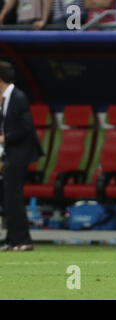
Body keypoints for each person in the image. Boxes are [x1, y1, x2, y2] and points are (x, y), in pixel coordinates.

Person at [0, 61, 44, 252]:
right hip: (8, 153)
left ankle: (24, 240)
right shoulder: (4, 98)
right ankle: (11, 238)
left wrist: (4, 138)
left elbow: (26, 129)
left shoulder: (18, 97)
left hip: (19, 154)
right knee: (6, 197)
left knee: (14, 197)